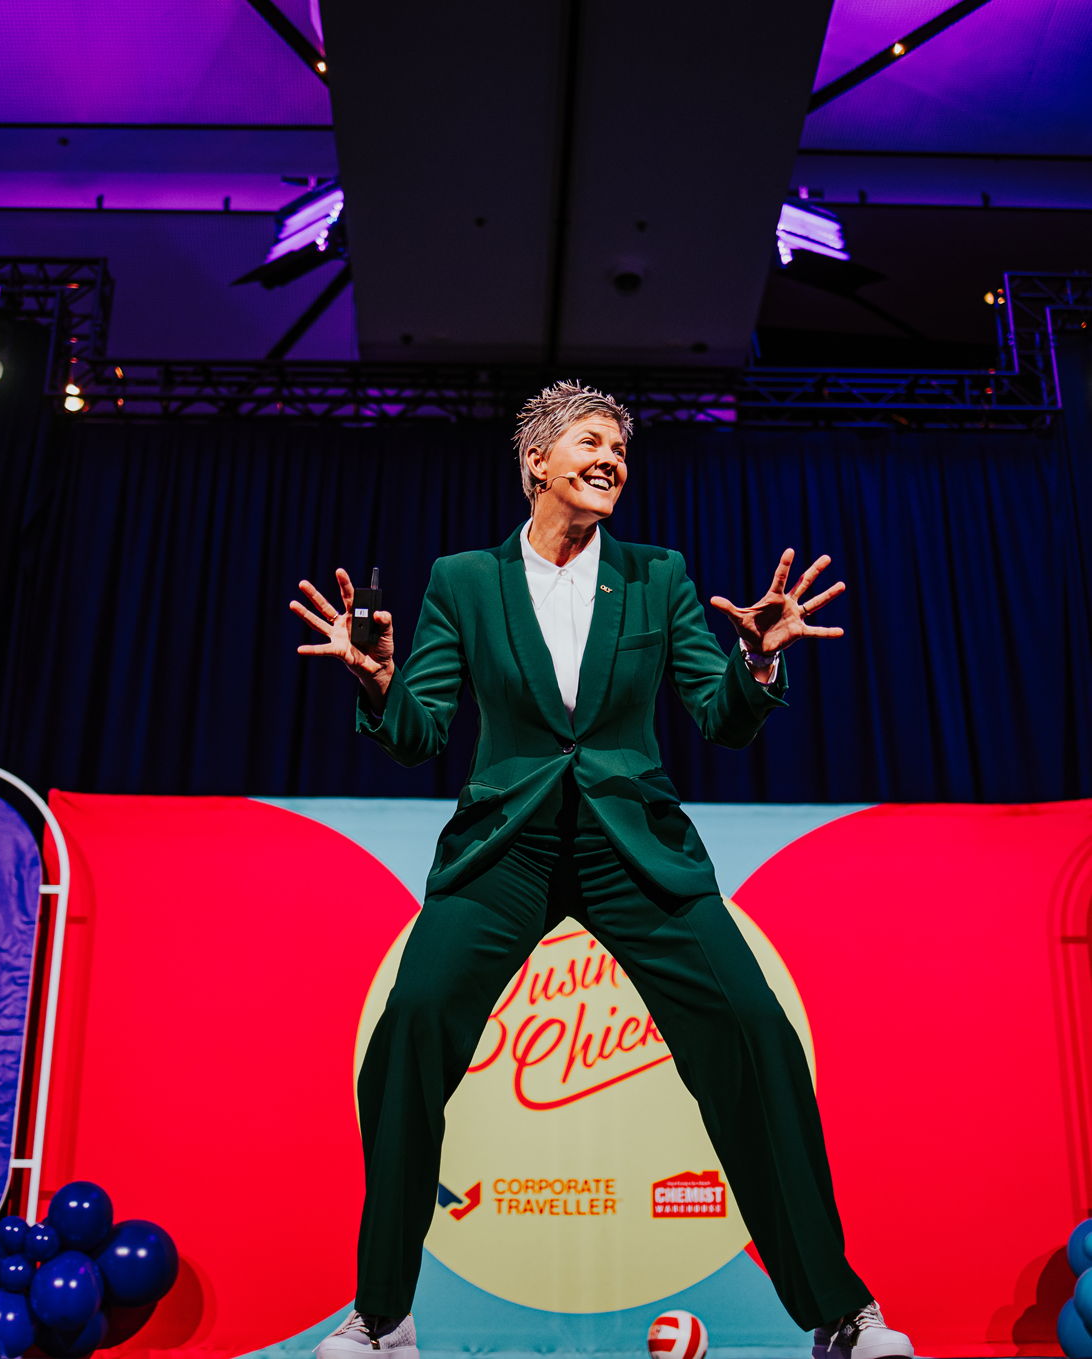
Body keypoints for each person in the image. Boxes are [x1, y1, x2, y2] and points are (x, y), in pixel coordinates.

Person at [291, 382, 913, 1359]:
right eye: (590, 440)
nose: (612, 458)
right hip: (507, 847)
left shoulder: (656, 576)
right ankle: (381, 1313)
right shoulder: (463, 580)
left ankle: (838, 1313)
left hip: (635, 845)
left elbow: (714, 714)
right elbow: (419, 736)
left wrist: (754, 666)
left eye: (620, 447)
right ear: (535, 461)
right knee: (409, 1028)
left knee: (753, 1032)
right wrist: (377, 683)